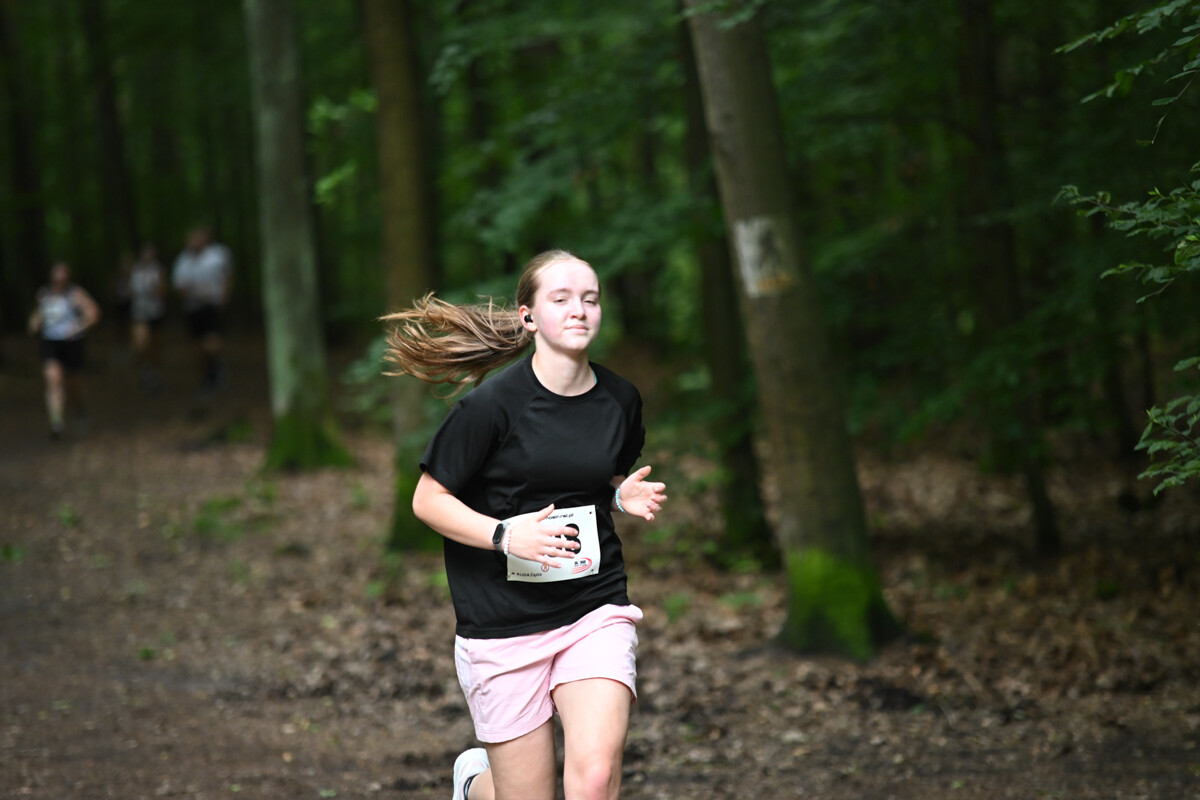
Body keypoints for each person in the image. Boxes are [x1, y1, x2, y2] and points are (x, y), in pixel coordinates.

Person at [382, 250, 668, 800]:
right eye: (560, 299)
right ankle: (475, 787)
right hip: (501, 621)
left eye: (590, 298)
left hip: (593, 606)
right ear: (529, 316)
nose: (579, 310)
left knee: (595, 777)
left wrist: (619, 495)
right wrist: (506, 535)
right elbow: (428, 500)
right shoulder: (490, 407)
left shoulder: (620, 400)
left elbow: (593, 479)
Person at [28, 262, 102, 439]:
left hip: (71, 344)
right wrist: (34, 322)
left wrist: (79, 326)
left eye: (63, 275)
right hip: (50, 343)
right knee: (52, 379)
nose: (60, 278)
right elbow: (39, 314)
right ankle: (57, 423)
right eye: (57, 274)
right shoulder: (44, 294)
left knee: (73, 384)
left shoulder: (75, 293)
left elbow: (94, 313)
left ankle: (79, 410)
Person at [172, 226, 232, 392]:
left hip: (212, 305)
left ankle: (215, 367)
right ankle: (206, 375)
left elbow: (227, 276)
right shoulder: (183, 261)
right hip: (193, 308)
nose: (195, 242)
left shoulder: (218, 255)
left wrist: (224, 297)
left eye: (199, 238)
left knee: (211, 342)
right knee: (197, 346)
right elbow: (178, 287)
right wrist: (193, 294)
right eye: (192, 238)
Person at [128, 242, 167, 390]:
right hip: (139, 312)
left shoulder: (158, 270)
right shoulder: (135, 270)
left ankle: (154, 371)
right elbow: (130, 290)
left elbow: (163, 291)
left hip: (156, 312)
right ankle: (144, 369)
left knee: (155, 344)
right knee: (140, 344)